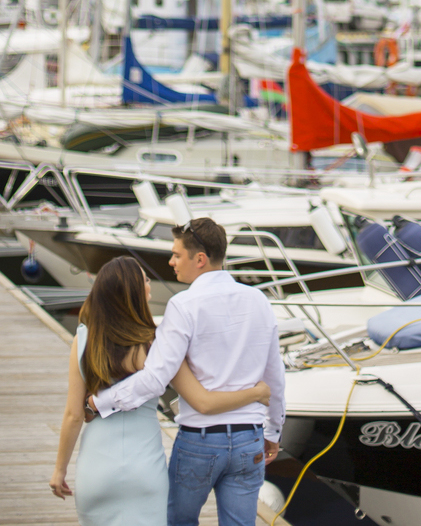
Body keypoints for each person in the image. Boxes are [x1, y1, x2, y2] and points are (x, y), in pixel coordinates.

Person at [89, 218, 286, 526]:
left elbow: (156, 378)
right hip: (249, 437)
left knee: (177, 521)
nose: (171, 262)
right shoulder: (258, 300)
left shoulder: (183, 305)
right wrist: (273, 431)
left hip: (201, 441)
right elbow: (275, 376)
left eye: (177, 255)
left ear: (200, 259)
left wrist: (100, 402)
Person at [49, 254, 272, 524]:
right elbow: (203, 401)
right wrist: (256, 394)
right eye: (145, 281)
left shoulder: (83, 340)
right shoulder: (157, 344)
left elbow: (74, 415)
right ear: (134, 292)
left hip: (97, 470)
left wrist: (59, 470)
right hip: (144, 469)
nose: (150, 286)